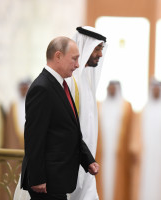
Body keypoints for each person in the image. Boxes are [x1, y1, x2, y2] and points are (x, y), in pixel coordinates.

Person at [19, 36, 99, 200]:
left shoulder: (59, 84)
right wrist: (38, 177)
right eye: (74, 59)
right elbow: (34, 137)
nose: (77, 65)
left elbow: (68, 129)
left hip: (57, 179)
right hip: (46, 182)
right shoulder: (42, 88)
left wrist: (87, 160)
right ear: (58, 56)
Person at [66, 26, 107, 200]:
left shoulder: (86, 83)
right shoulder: (70, 81)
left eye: (101, 49)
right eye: (97, 48)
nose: (100, 54)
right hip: (69, 168)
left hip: (86, 168)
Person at [130, 80, 161, 200]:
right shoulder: (144, 110)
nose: (156, 91)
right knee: (146, 182)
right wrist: (135, 148)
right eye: (154, 89)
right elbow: (136, 133)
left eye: (158, 89)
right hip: (146, 156)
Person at [95, 81, 133, 200]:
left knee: (119, 181)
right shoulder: (99, 106)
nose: (111, 90)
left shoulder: (126, 106)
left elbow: (130, 130)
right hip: (102, 152)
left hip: (120, 154)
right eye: (109, 88)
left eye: (114, 88)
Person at [4, 78, 31, 149]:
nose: (24, 90)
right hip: (14, 144)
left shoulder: (34, 104)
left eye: (25, 88)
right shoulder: (13, 106)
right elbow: (8, 129)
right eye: (22, 88)